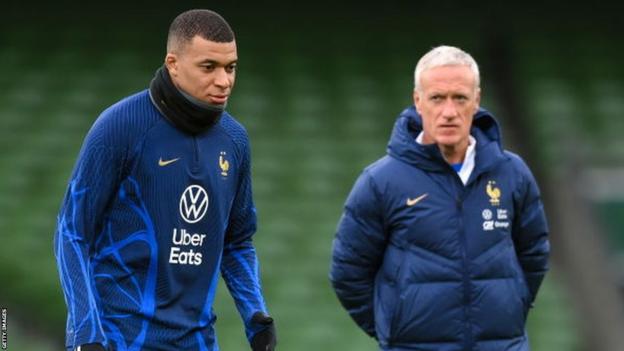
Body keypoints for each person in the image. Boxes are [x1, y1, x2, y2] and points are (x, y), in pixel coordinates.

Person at [54, 9, 276, 351]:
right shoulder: (119, 126)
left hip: (197, 342)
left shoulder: (235, 141)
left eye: (230, 68)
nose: (224, 81)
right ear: (173, 63)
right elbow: (72, 233)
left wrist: (256, 316)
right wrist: (86, 334)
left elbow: (237, 241)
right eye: (209, 67)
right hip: (118, 340)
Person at [330, 45, 550, 351]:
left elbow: (534, 253)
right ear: (418, 102)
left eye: (460, 98)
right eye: (437, 98)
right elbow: (347, 270)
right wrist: (390, 326)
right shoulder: (380, 181)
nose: (449, 111)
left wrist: (514, 304)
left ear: (477, 100)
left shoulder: (512, 172)